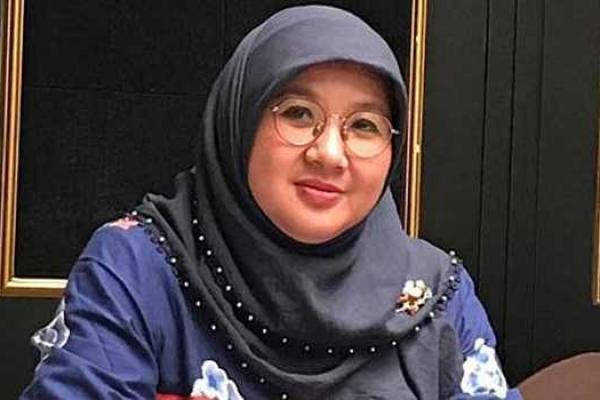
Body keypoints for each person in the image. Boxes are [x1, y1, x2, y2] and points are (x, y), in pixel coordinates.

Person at [21, 5, 522, 400]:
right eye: (299, 114)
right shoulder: (137, 270)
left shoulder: (435, 296)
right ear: (239, 124)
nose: (330, 153)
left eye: (364, 125)